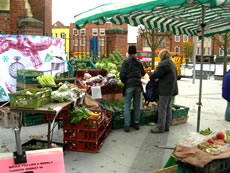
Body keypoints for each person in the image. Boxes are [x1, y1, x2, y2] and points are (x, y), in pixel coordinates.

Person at [150, 49, 178, 133]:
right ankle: (167, 126)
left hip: (165, 89)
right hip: (171, 89)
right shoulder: (172, 63)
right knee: (168, 108)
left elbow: (156, 74)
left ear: (161, 56)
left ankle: (160, 127)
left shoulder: (163, 64)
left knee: (162, 108)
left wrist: (152, 75)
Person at [120, 45, 145, 132]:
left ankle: (127, 125)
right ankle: (136, 123)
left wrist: (125, 81)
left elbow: (122, 74)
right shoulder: (139, 62)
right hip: (138, 84)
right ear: (135, 52)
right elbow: (143, 73)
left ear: (129, 52)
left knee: (127, 104)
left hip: (129, 84)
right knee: (136, 104)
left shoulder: (126, 61)